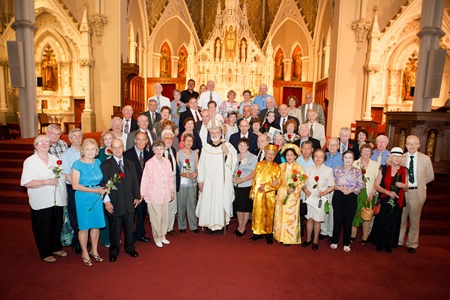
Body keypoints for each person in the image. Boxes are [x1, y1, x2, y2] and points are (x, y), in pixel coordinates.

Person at [21, 135, 68, 263]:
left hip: (57, 199)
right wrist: (46, 182)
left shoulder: (55, 159)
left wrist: (64, 197)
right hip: (41, 201)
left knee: (57, 226)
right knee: (43, 227)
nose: (44, 144)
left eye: (47, 142)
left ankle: (56, 248)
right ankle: (45, 252)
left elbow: (61, 179)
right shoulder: (30, 161)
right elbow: (27, 183)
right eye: (40, 142)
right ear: (35, 145)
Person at [101, 139, 140, 262]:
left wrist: (137, 196)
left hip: (129, 201)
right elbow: (103, 185)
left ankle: (130, 247)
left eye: (119, 147)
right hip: (114, 203)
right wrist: (106, 201)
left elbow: (135, 181)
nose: (117, 150)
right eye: (114, 147)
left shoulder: (130, 163)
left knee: (129, 228)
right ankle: (113, 251)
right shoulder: (105, 165)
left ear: (123, 147)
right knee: (114, 229)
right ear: (110, 149)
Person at [72, 138, 107, 266]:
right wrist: (94, 191)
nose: (90, 151)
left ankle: (94, 250)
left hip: (97, 197)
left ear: (97, 150)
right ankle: (85, 253)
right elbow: (75, 185)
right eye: (87, 149)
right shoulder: (77, 164)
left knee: (96, 225)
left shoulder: (98, 162)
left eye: (93, 149)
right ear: (83, 150)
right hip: (83, 198)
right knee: (84, 226)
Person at [196, 126, 238, 234]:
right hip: (208, 181)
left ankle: (221, 224)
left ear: (221, 133)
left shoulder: (227, 146)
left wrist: (227, 153)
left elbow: (234, 161)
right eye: (212, 133)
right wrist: (200, 181)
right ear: (210, 134)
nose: (214, 135)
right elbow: (201, 165)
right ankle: (209, 224)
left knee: (220, 201)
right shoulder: (205, 148)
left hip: (222, 181)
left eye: (217, 132)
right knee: (208, 201)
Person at [399, 135, 434, 254]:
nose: (412, 146)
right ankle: (399, 240)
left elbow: (430, 176)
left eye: (415, 143)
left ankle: (412, 243)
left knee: (414, 220)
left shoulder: (425, 159)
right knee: (401, 218)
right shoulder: (401, 158)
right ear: (405, 145)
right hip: (403, 192)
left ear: (419, 145)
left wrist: (420, 184)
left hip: (417, 192)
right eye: (409, 143)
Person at [371, 147, 409, 253]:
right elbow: (376, 185)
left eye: (399, 156)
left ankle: (389, 243)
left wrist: (403, 185)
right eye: (395, 156)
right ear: (390, 157)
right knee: (382, 221)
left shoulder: (404, 170)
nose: (397, 158)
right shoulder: (383, 168)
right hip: (384, 199)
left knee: (394, 222)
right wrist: (387, 192)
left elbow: (406, 188)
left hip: (398, 201)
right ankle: (380, 243)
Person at [141, 141, 174, 248]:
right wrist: (142, 193)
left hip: (165, 193)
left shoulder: (167, 162)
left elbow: (170, 177)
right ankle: (157, 237)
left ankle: (163, 235)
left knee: (165, 216)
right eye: (157, 149)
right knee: (156, 218)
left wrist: (172, 190)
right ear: (153, 150)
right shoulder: (149, 163)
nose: (159, 151)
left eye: (161, 149)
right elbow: (145, 179)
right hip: (153, 195)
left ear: (164, 150)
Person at [330, 150, 364, 252]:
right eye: (346, 157)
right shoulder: (336, 169)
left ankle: (346, 243)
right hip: (338, 195)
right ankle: (335, 241)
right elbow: (332, 183)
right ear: (342, 159)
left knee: (348, 221)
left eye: (350, 158)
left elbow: (361, 184)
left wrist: (351, 190)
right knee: (337, 220)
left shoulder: (357, 171)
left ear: (353, 159)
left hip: (351, 196)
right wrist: (340, 188)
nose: (348, 160)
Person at [273, 144, 306, 245]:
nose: (290, 157)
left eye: (292, 155)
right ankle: (279, 236)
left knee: (290, 216)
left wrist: (294, 189)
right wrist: (275, 182)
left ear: (295, 156)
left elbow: (302, 182)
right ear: (285, 156)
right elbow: (277, 180)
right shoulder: (280, 166)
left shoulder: (299, 168)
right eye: (287, 155)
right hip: (282, 193)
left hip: (292, 195)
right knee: (280, 215)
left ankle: (288, 238)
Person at [302, 149, 335, 251]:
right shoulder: (308, 169)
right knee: (309, 219)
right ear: (313, 157)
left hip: (320, 199)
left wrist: (324, 192)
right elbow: (302, 182)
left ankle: (315, 240)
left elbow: (332, 185)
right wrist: (305, 189)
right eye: (316, 156)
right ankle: (308, 239)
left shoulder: (328, 170)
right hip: (309, 197)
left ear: (324, 158)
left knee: (317, 221)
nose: (318, 158)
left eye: (321, 156)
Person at [123, 132, 153, 243]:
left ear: (146, 142)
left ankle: (140, 233)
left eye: (143, 140)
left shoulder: (150, 155)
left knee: (142, 213)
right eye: (139, 139)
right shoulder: (127, 155)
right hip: (131, 190)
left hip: (145, 190)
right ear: (135, 141)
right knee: (130, 215)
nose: (141, 142)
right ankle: (129, 236)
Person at [249, 144, 281, 244]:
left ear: (275, 155)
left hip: (270, 195)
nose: (270, 156)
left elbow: (277, 183)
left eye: (272, 154)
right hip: (258, 194)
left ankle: (268, 234)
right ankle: (257, 233)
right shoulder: (259, 165)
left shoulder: (276, 167)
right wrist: (253, 192)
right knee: (258, 213)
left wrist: (266, 187)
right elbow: (255, 180)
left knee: (268, 214)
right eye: (268, 153)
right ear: (265, 153)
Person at [351, 144, 380, 245]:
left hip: (369, 194)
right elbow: (350, 178)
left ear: (371, 153)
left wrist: (373, 193)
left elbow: (377, 181)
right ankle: (352, 236)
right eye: (364, 151)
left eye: (368, 151)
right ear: (360, 152)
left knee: (366, 216)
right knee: (354, 214)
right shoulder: (354, 163)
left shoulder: (375, 165)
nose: (366, 153)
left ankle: (365, 237)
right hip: (355, 193)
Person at [60, 128, 83, 254]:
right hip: (74, 189)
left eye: (79, 136)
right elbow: (67, 175)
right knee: (75, 216)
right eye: (74, 136)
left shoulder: (86, 151)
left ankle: (84, 238)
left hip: (87, 190)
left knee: (84, 215)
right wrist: (80, 185)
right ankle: (76, 242)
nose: (77, 138)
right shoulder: (66, 155)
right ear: (70, 139)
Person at [232, 138, 257, 237]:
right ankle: (239, 225)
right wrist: (233, 177)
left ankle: (243, 227)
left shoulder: (253, 157)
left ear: (248, 147)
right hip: (236, 184)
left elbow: (254, 172)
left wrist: (243, 180)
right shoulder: (235, 157)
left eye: (244, 145)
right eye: (240, 145)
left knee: (245, 207)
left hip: (246, 184)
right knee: (238, 206)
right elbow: (231, 169)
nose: (242, 147)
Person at [320, 138, 343, 240]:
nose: (332, 147)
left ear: (338, 146)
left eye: (334, 145)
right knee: (324, 209)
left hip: (336, 188)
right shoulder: (324, 156)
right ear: (327, 146)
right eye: (330, 145)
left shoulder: (342, 158)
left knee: (333, 211)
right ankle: (323, 230)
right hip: (324, 187)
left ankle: (330, 232)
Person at [176, 133, 199, 234]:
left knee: (192, 204)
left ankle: (193, 225)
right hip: (182, 183)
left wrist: (195, 174)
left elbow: (198, 169)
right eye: (187, 140)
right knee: (181, 205)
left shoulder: (195, 154)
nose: (189, 142)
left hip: (193, 183)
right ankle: (182, 225)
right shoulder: (179, 153)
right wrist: (183, 174)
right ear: (183, 142)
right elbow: (176, 170)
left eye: (191, 141)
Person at [161, 130, 181, 236]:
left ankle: (170, 227)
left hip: (172, 180)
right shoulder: (158, 151)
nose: (168, 140)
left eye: (170, 138)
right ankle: (162, 228)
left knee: (173, 205)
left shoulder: (173, 150)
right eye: (166, 138)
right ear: (162, 139)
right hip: (163, 182)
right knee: (164, 206)